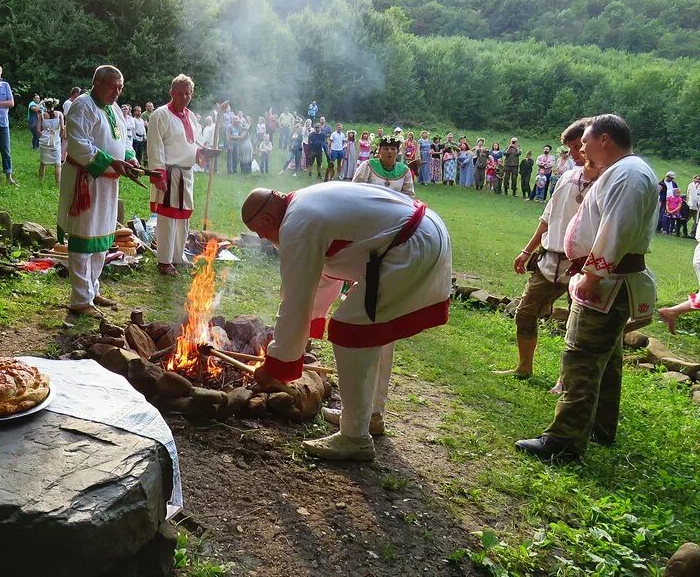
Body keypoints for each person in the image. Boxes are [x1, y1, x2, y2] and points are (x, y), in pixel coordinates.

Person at [242, 184, 452, 461]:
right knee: (374, 327)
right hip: (421, 234)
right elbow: (322, 279)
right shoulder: (305, 203)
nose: (264, 239)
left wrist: (277, 365)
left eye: (260, 232)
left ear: (267, 220)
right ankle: (370, 416)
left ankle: (354, 437)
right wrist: (294, 340)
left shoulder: (297, 223)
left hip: (410, 244)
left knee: (351, 330)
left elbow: (295, 298)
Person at [516, 114, 658, 461]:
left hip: (606, 282)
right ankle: (600, 426)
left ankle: (563, 441)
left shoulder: (627, 174)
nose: (581, 148)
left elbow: (615, 228)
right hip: (609, 279)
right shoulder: (627, 171)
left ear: (605, 139)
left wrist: (592, 277)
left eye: (586, 142)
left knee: (581, 357)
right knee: (606, 359)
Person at [496, 119, 598, 382]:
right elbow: (548, 217)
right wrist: (527, 251)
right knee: (526, 312)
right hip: (549, 259)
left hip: (584, 266)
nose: (576, 154)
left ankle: (566, 381)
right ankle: (524, 366)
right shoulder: (566, 176)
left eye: (579, 146)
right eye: (572, 149)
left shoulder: (606, 183)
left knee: (579, 325)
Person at [57, 65, 139, 317]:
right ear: (97, 83)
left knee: (102, 237)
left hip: (107, 184)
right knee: (84, 237)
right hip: (86, 180)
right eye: (113, 86)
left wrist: (129, 157)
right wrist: (111, 162)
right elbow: (79, 144)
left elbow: (123, 140)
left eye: (120, 87)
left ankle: (92, 291)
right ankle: (80, 299)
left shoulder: (114, 109)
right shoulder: (83, 105)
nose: (117, 92)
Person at [148, 75, 222, 276]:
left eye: (187, 93)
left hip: (186, 175)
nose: (184, 97)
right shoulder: (160, 115)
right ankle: (164, 260)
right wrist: (159, 174)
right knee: (168, 217)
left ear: (192, 94)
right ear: (172, 93)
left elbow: (194, 145)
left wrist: (205, 153)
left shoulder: (191, 117)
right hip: (169, 173)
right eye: (179, 93)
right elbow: (155, 147)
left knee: (183, 218)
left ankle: (178, 256)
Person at [38, 103, 64, 184]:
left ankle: (41, 181)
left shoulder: (41, 115)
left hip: (44, 141)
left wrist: (43, 135)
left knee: (43, 162)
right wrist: (59, 136)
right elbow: (62, 128)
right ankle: (58, 183)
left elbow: (38, 130)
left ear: (45, 106)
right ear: (54, 105)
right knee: (58, 164)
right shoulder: (59, 114)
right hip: (55, 140)